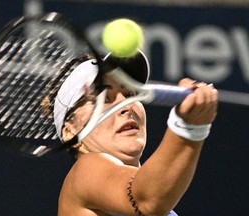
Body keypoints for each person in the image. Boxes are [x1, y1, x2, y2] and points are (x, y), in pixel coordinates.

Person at [43, 51, 218, 216]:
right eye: (104, 99)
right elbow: (147, 200)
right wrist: (187, 128)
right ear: (70, 132)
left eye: (129, 94)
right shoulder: (83, 174)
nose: (126, 106)